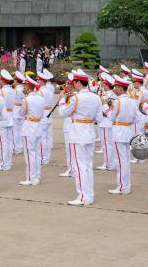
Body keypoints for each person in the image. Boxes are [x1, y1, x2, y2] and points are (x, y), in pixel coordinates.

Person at [63, 69, 101, 205]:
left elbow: (63, 112)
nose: (73, 85)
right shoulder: (96, 97)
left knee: (79, 166)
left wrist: (64, 99)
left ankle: (83, 196)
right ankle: (89, 195)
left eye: (75, 83)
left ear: (79, 83)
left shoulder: (76, 98)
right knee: (88, 166)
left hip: (77, 132)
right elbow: (99, 118)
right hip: (90, 131)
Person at [106, 73, 137, 196]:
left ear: (120, 88)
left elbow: (111, 116)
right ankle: (126, 185)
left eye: (116, 87)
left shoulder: (117, 102)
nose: (114, 89)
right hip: (128, 131)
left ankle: (122, 186)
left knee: (120, 161)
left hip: (119, 131)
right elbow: (136, 118)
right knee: (125, 160)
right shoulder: (132, 101)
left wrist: (105, 107)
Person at [0, 70, 15, 172]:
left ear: (3, 81)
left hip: (2, 118)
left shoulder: (1, 92)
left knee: (2, 142)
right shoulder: (12, 90)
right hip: (10, 116)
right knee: (8, 142)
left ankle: (4, 163)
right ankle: (8, 162)